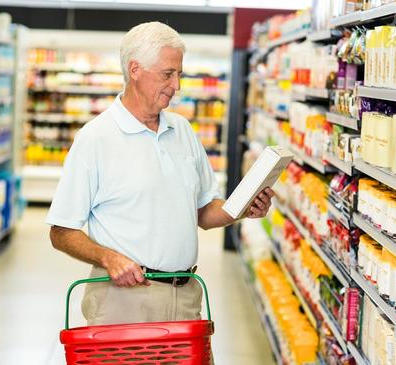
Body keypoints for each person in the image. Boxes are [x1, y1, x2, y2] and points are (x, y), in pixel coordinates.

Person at [46, 22, 274, 327]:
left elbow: (204, 212)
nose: (176, 85)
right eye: (168, 74)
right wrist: (107, 258)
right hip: (123, 300)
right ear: (135, 69)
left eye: (179, 74)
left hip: (186, 295)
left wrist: (242, 208)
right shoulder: (95, 139)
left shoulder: (182, 130)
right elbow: (61, 231)